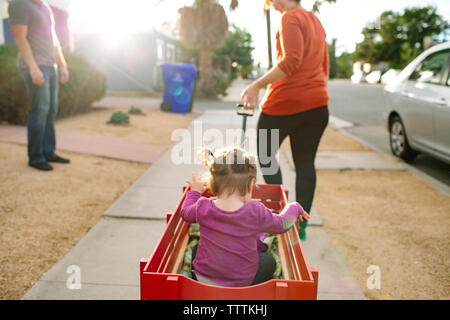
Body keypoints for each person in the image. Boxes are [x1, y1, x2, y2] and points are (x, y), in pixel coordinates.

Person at [240, 0, 329, 240]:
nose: (274, 4)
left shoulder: (290, 17)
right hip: (318, 105)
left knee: (267, 158)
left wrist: (256, 85)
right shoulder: (316, 21)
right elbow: (324, 67)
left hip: (284, 103)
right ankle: (300, 227)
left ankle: (277, 219)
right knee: (305, 164)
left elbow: (291, 61)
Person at [181, 147, 310, 287]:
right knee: (268, 261)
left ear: (212, 184)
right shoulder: (255, 211)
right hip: (241, 283)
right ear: (250, 185)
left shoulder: (202, 207)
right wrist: (295, 207)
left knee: (197, 248)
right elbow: (283, 223)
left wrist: (195, 192)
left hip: (202, 278)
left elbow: (185, 212)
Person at [9, 0, 70, 171]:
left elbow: (53, 37)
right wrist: (33, 68)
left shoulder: (44, 6)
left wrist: (62, 64)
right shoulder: (19, 4)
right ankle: (36, 157)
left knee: (51, 109)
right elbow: (20, 38)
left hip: (51, 66)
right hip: (37, 66)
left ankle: (49, 151)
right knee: (40, 109)